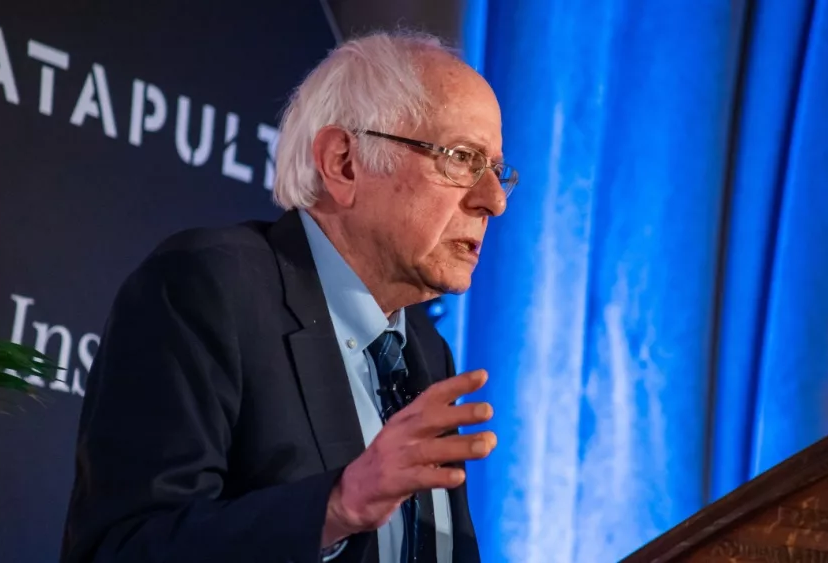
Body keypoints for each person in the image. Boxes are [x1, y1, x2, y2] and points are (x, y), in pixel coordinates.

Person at [58, 30, 518, 563]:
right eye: (461, 158)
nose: (493, 201)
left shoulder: (424, 349)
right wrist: (337, 506)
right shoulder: (206, 290)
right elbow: (121, 549)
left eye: (497, 170)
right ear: (343, 162)